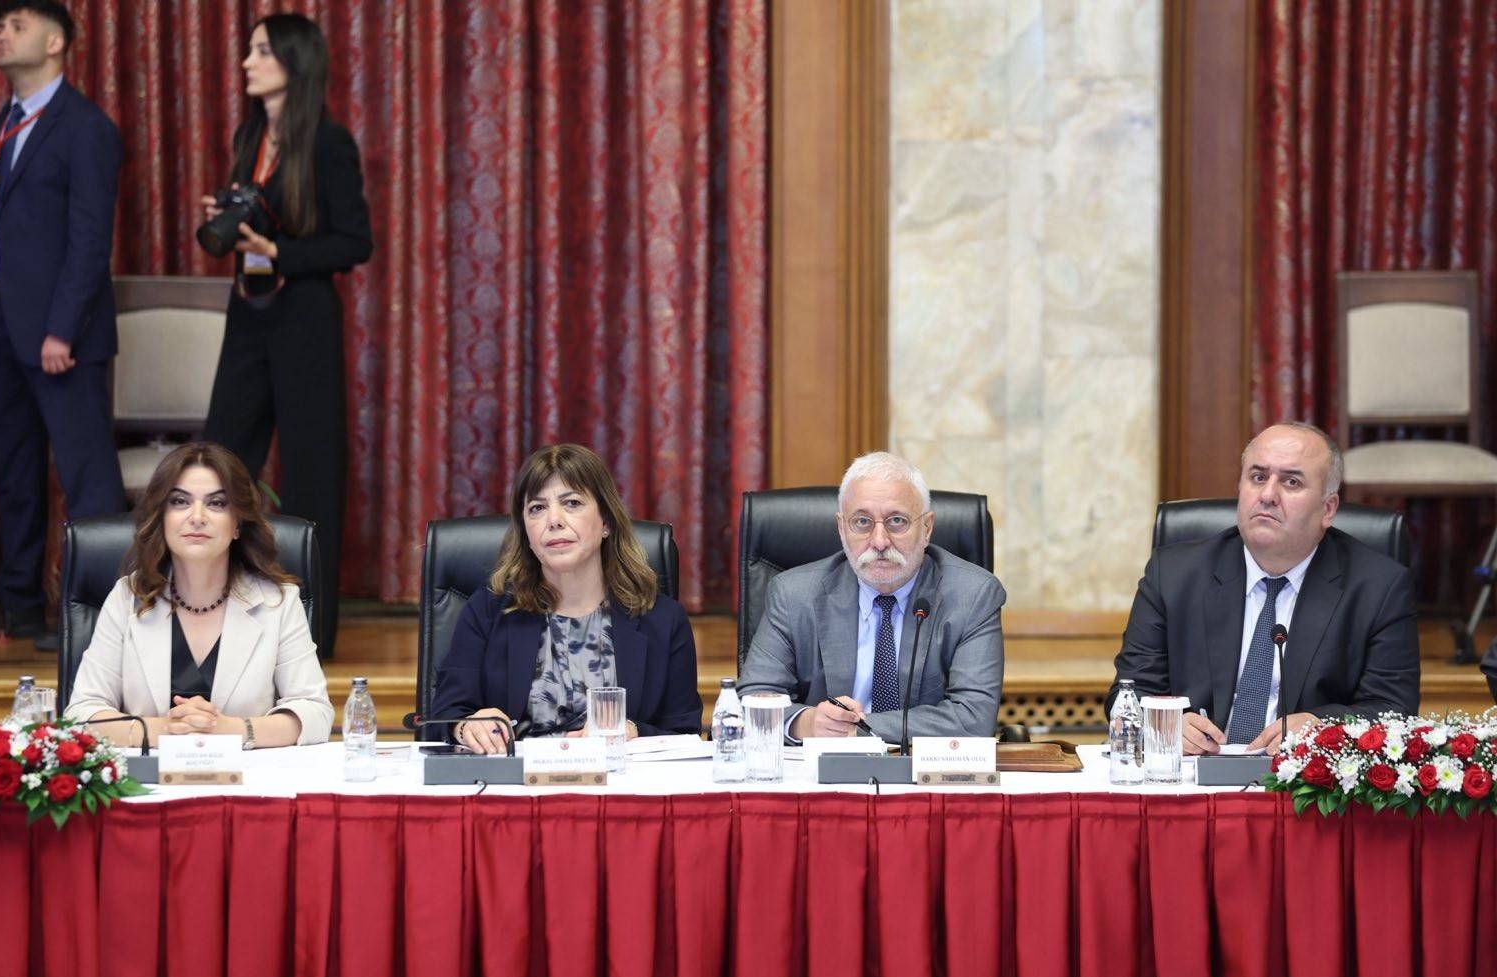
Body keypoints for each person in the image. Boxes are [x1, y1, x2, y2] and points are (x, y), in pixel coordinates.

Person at [0, 0, 127, 647]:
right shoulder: (7, 122)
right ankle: (17, 604)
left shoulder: (85, 127)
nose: (0, 34)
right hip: (0, 324)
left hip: (60, 335)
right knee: (14, 472)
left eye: (16, 25)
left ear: (55, 42)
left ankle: (99, 616)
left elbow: (89, 240)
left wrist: (62, 329)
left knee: (86, 477)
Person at [200, 13, 372, 658]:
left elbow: (355, 241)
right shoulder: (250, 134)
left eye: (261, 51)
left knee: (311, 474)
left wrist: (280, 251)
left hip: (304, 318)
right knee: (220, 460)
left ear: (294, 63)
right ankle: (210, 610)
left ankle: (310, 633)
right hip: (249, 312)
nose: (247, 62)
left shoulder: (328, 142)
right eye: (249, 50)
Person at [1108, 421, 1420, 755]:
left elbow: (1393, 710)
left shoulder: (1379, 587)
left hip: (1303, 776)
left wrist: (1323, 726)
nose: (1268, 495)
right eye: (1258, 477)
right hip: (1192, 770)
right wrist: (1164, 725)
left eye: (1291, 482)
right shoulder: (1173, 574)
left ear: (1328, 509)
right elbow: (1129, 694)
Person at [426, 444, 703, 751]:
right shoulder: (489, 610)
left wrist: (632, 732)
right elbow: (444, 716)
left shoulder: (662, 619)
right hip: (518, 777)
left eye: (572, 503)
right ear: (526, 532)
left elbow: (684, 735)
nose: (554, 520)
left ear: (606, 522)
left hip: (617, 776)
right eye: (537, 508)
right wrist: (467, 726)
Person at [65, 442, 333, 749]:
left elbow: (315, 714)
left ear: (237, 524)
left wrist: (232, 730)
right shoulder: (127, 597)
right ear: (162, 517)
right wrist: (164, 730)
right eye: (180, 502)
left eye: (216, 503)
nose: (197, 517)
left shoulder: (278, 602)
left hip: (246, 776)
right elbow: (81, 715)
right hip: (150, 775)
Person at [738, 452, 1007, 743]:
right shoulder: (793, 595)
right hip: (823, 767)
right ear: (842, 528)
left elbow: (973, 718)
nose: (879, 541)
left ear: (926, 528)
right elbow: (752, 702)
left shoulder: (973, 596)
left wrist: (857, 728)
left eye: (897, 521)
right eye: (862, 522)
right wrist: (807, 723)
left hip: (920, 767)